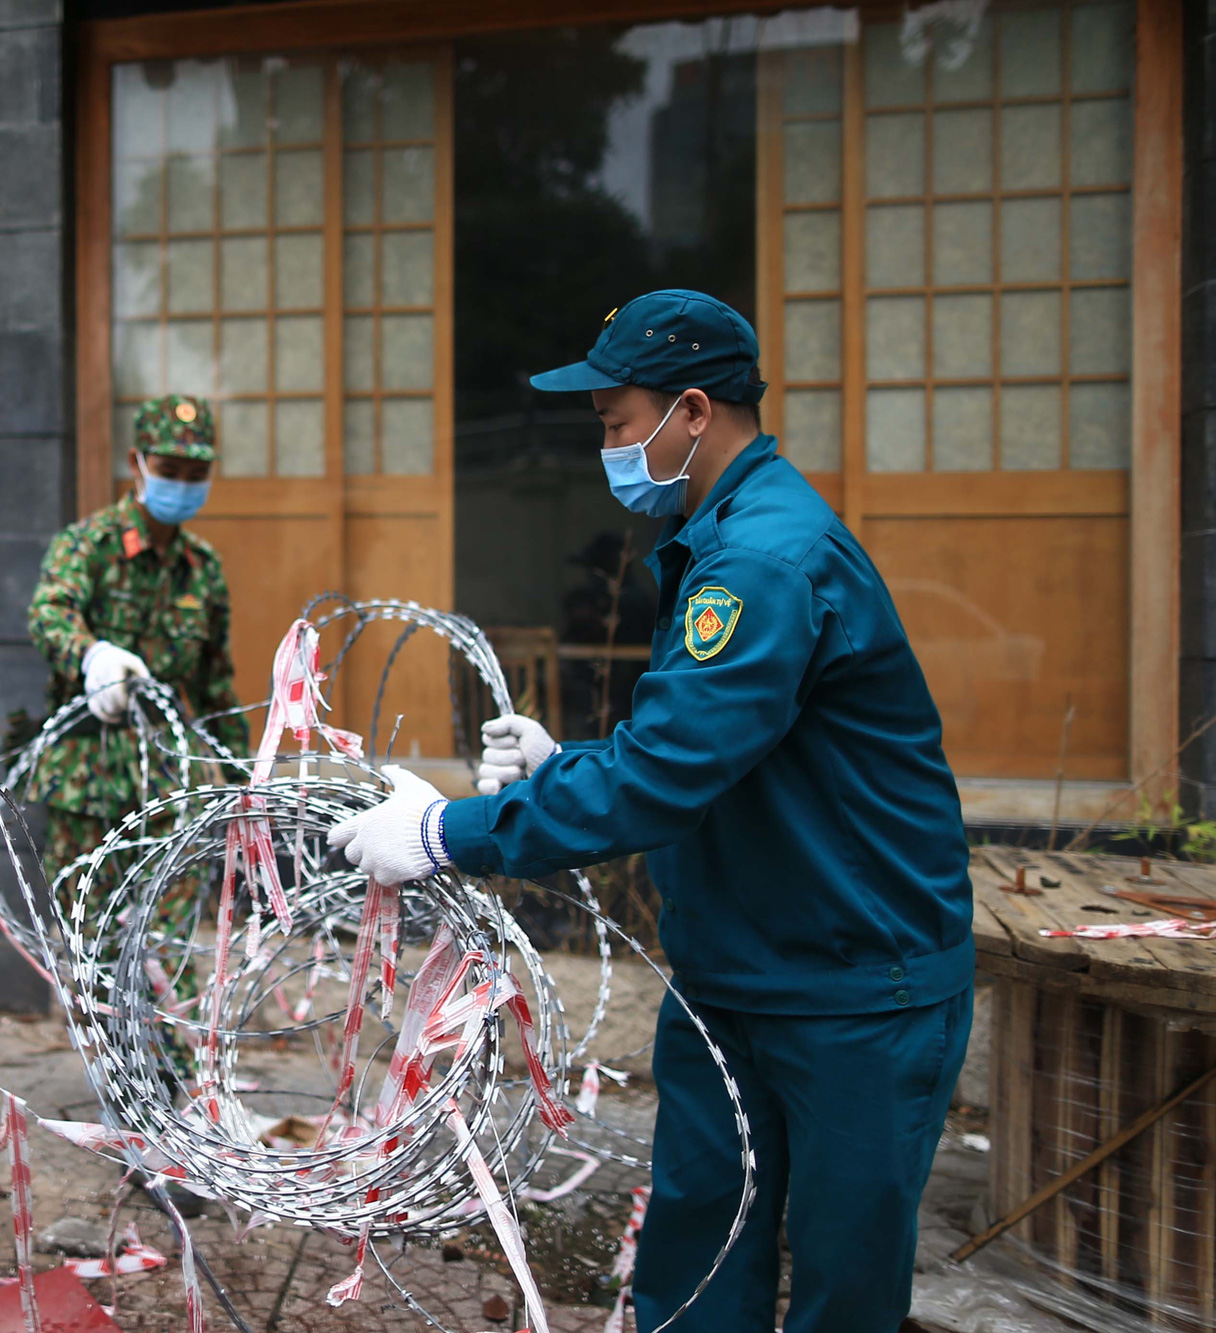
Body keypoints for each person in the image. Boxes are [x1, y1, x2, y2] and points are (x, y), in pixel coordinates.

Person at [329, 290, 973, 1333]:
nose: (608, 449)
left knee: (839, 1289)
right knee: (696, 1248)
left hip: (856, 986)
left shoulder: (762, 560)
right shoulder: (716, 535)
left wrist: (442, 835)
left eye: (615, 424)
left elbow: (667, 773)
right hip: (738, 969)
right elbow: (715, 750)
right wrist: (563, 762)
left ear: (689, 412)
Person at [26, 394, 251, 900]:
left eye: (196, 474)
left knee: (165, 948)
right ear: (137, 463)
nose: (183, 484)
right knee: (90, 947)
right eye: (169, 469)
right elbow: (49, 612)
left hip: (171, 778)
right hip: (88, 779)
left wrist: (242, 779)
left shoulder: (202, 567)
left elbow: (215, 683)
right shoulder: (89, 545)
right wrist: (93, 656)